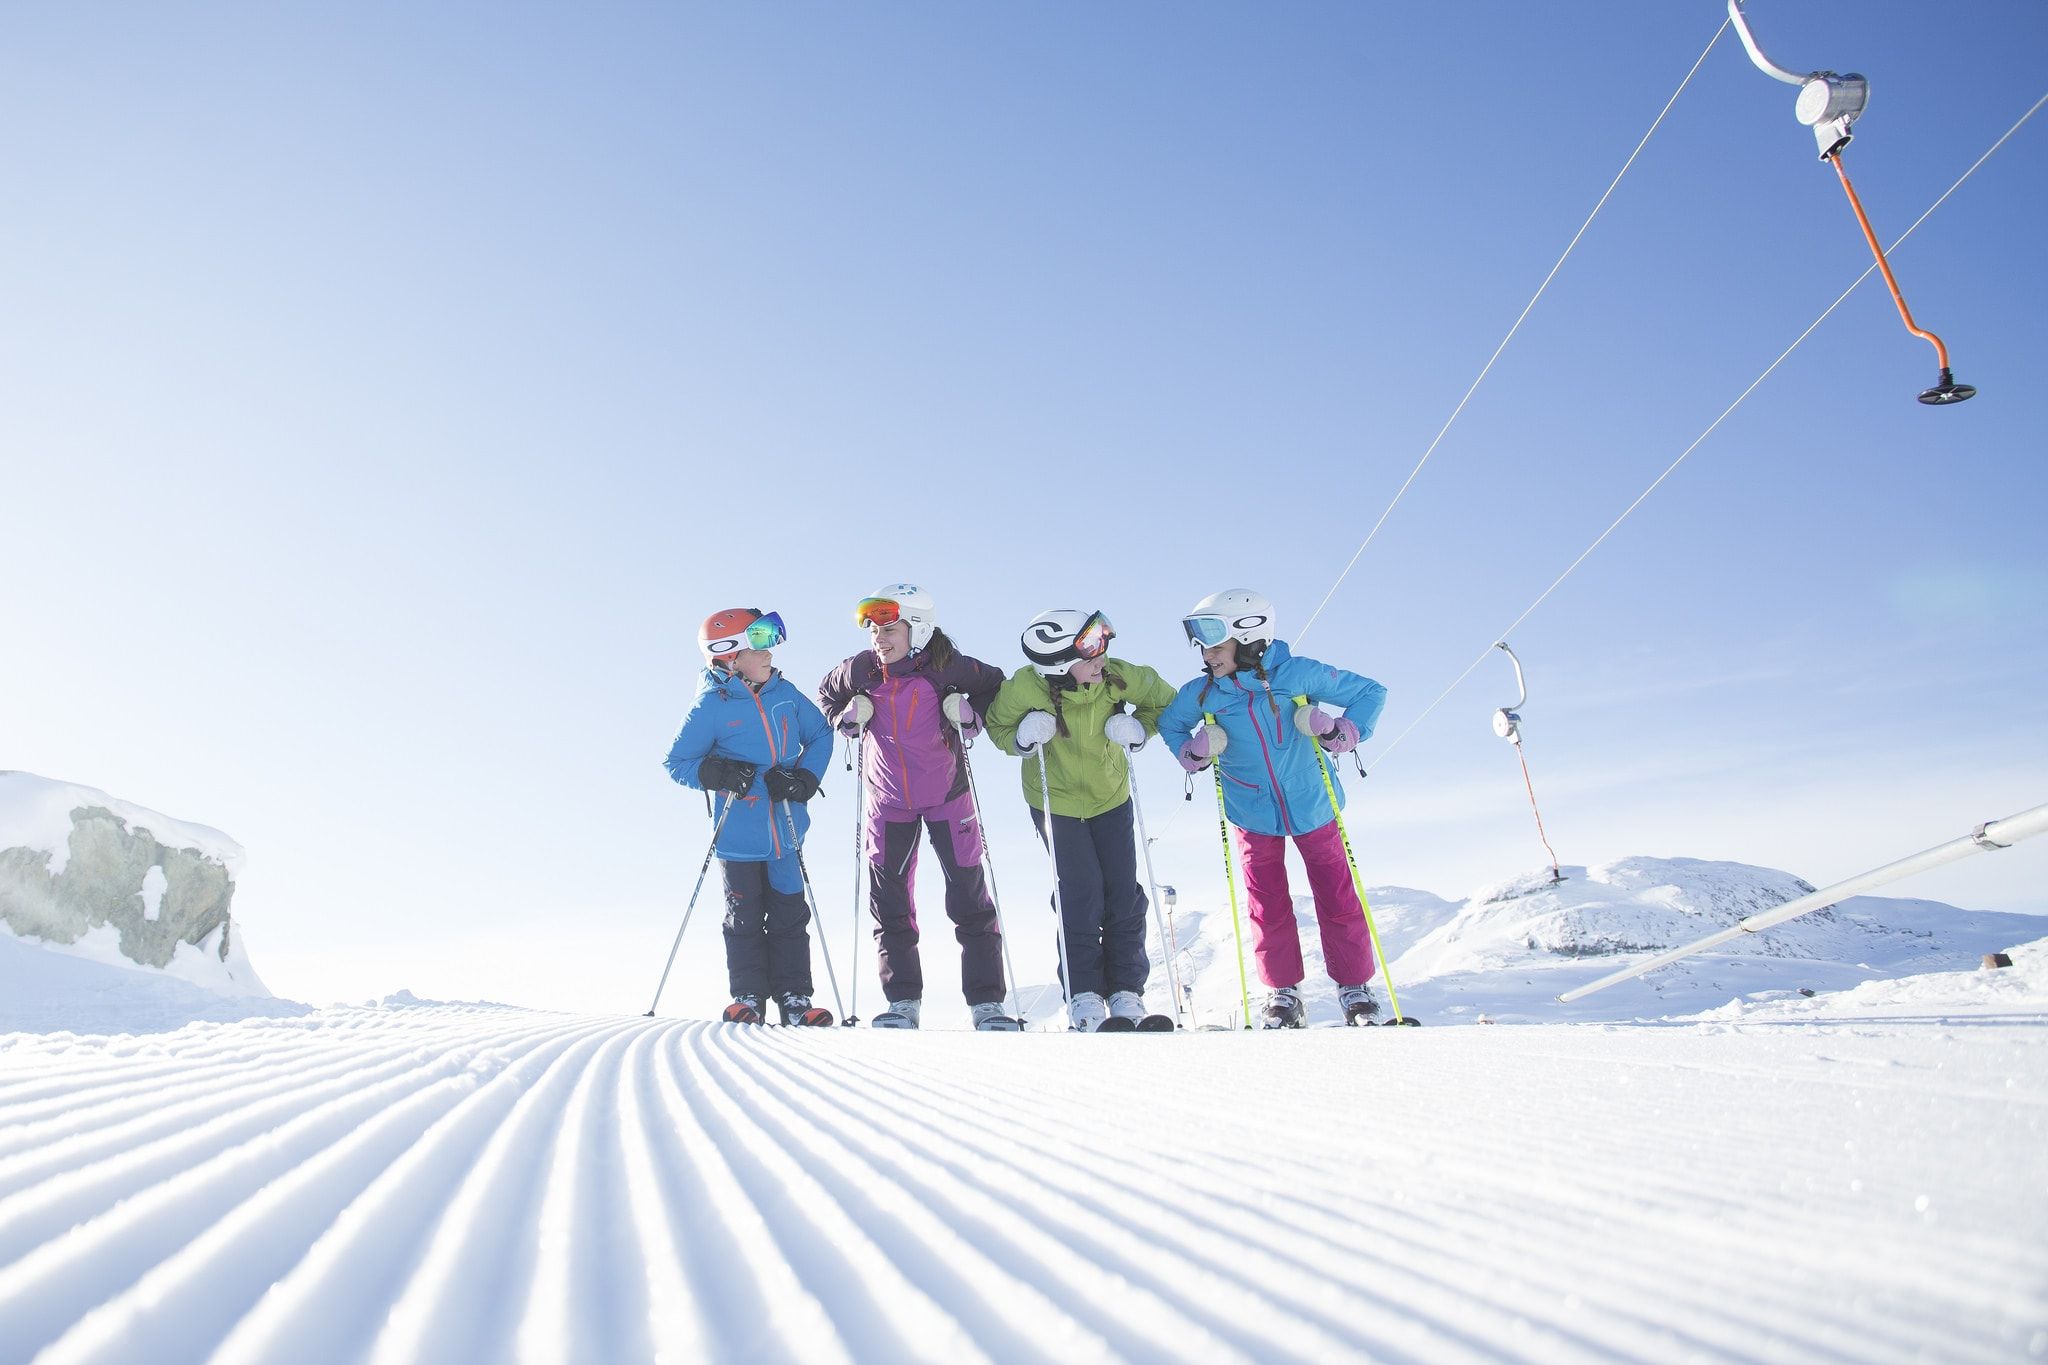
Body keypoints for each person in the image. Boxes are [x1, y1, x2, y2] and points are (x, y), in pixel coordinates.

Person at [1154, 589, 1388, 1028]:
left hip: (1313, 802)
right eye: (1202, 645)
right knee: (1267, 902)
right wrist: (1193, 752)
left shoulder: (1297, 674)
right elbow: (1170, 724)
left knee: (1336, 895)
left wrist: (1341, 731)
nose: (1207, 655)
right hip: (1250, 810)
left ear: (1249, 637)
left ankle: (1355, 987)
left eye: (1216, 644)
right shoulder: (1203, 693)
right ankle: (1283, 993)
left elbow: (1371, 693)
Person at [815, 583, 1014, 1031]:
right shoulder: (859, 670)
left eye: (888, 628)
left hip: (948, 798)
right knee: (889, 905)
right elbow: (826, 696)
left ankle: (987, 1006)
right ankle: (902, 1002)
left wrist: (970, 714)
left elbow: (996, 684)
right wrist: (845, 717)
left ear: (918, 628)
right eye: (872, 630)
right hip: (887, 804)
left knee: (969, 900)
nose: (877, 638)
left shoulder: (949, 668)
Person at [986, 609, 1177, 1032]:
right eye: (1090, 652)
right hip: (1055, 801)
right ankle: (1084, 994)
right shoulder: (1024, 687)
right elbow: (997, 725)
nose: (1102, 658)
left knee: (1122, 890)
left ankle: (1127, 992)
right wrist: (1020, 737)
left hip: (1111, 796)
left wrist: (1140, 729)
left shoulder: (1118, 675)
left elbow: (1165, 701)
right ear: (1058, 665)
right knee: (1081, 890)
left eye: (1102, 645)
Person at [664, 607, 835, 1026]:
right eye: (758, 642)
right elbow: (677, 762)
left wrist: (804, 778)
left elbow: (820, 735)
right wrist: (715, 772)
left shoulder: (786, 694)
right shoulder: (710, 706)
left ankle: (795, 999)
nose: (770, 652)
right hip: (737, 835)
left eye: (770, 641)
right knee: (744, 917)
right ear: (728, 655)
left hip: (787, 828)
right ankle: (749, 998)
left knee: (790, 915)